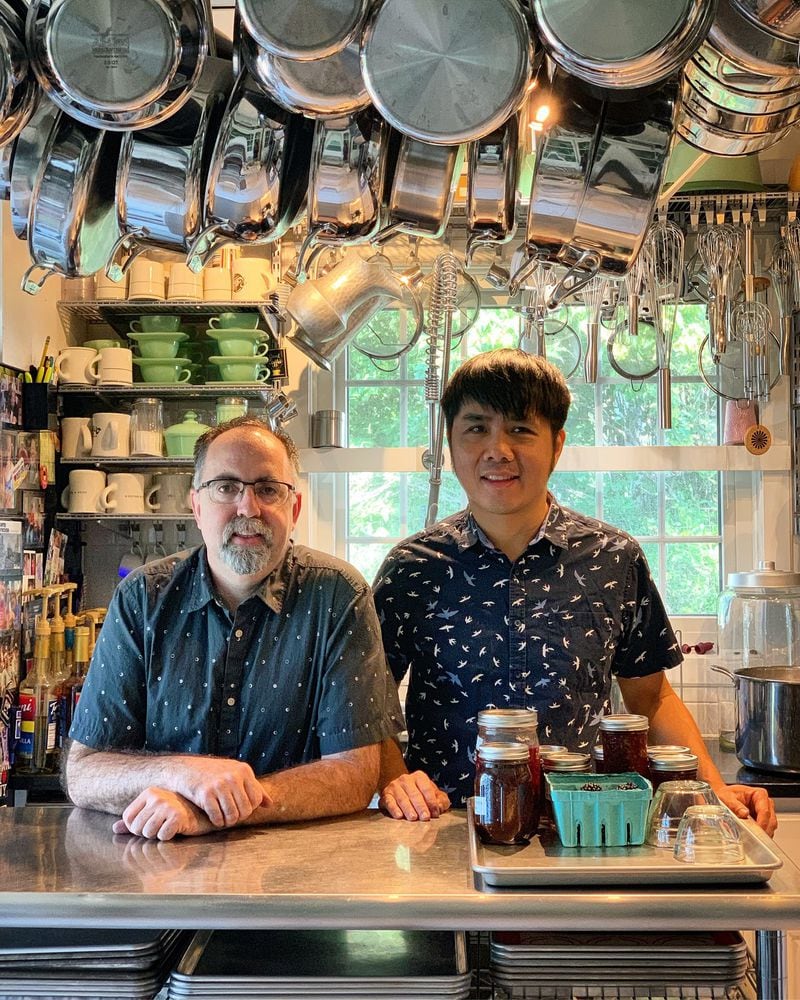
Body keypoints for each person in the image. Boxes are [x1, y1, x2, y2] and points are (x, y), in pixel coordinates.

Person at [374, 349, 777, 834]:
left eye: (521, 429)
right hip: (440, 826)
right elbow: (365, 709)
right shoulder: (412, 569)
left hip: (583, 828)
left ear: (557, 444)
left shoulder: (614, 558)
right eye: (477, 427)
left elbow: (650, 699)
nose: (497, 450)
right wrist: (397, 779)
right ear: (450, 442)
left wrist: (714, 793)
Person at [65, 417, 403, 841]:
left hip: (298, 875)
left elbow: (355, 774)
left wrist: (209, 811)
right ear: (196, 506)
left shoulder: (338, 596)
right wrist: (184, 775)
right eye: (226, 487)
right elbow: (84, 771)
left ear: (293, 509)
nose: (248, 508)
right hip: (155, 874)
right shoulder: (141, 598)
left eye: (267, 489)